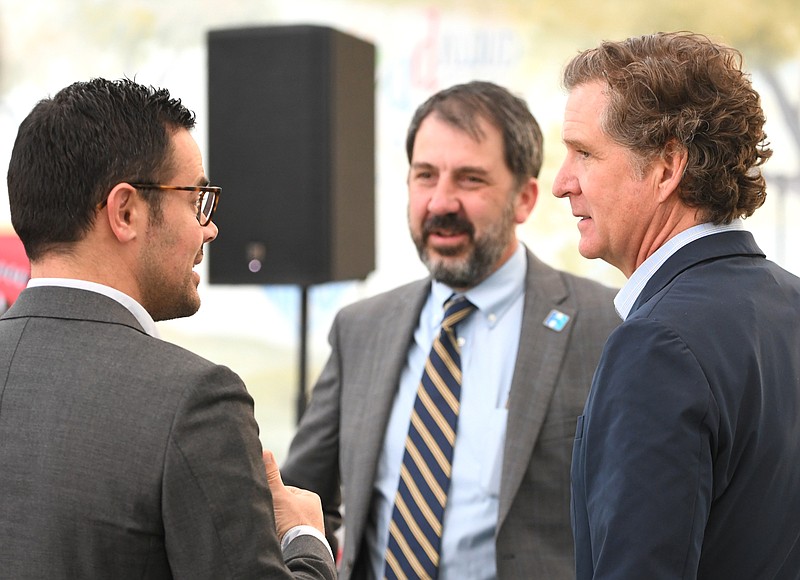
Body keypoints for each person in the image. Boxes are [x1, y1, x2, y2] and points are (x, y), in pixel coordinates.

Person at [281, 80, 620, 579]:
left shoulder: (606, 324)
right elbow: (299, 499)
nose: (441, 202)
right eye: (425, 176)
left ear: (525, 199)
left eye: (469, 180)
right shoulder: (362, 328)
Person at [0, 78, 335, 580]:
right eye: (197, 197)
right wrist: (305, 540)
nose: (210, 228)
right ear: (126, 211)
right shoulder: (195, 400)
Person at [553, 32, 800, 578]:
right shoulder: (791, 303)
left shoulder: (658, 345)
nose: (560, 183)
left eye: (585, 153)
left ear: (668, 167)